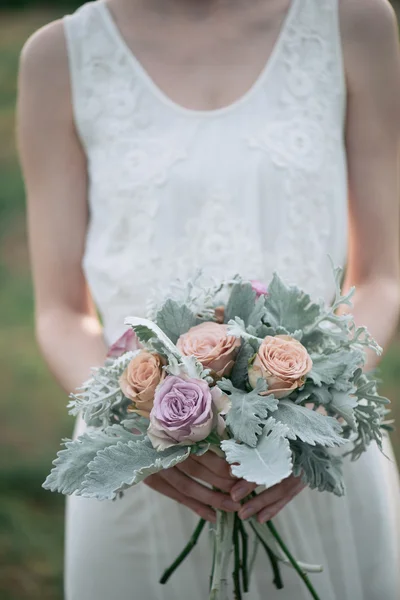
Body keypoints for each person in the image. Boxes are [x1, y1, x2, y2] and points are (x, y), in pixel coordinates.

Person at [17, 0, 400, 598]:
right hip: (143, 466)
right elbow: (59, 310)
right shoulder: (58, 57)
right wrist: (147, 429)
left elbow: (383, 275)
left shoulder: (355, 23)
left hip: (314, 450)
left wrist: (317, 410)